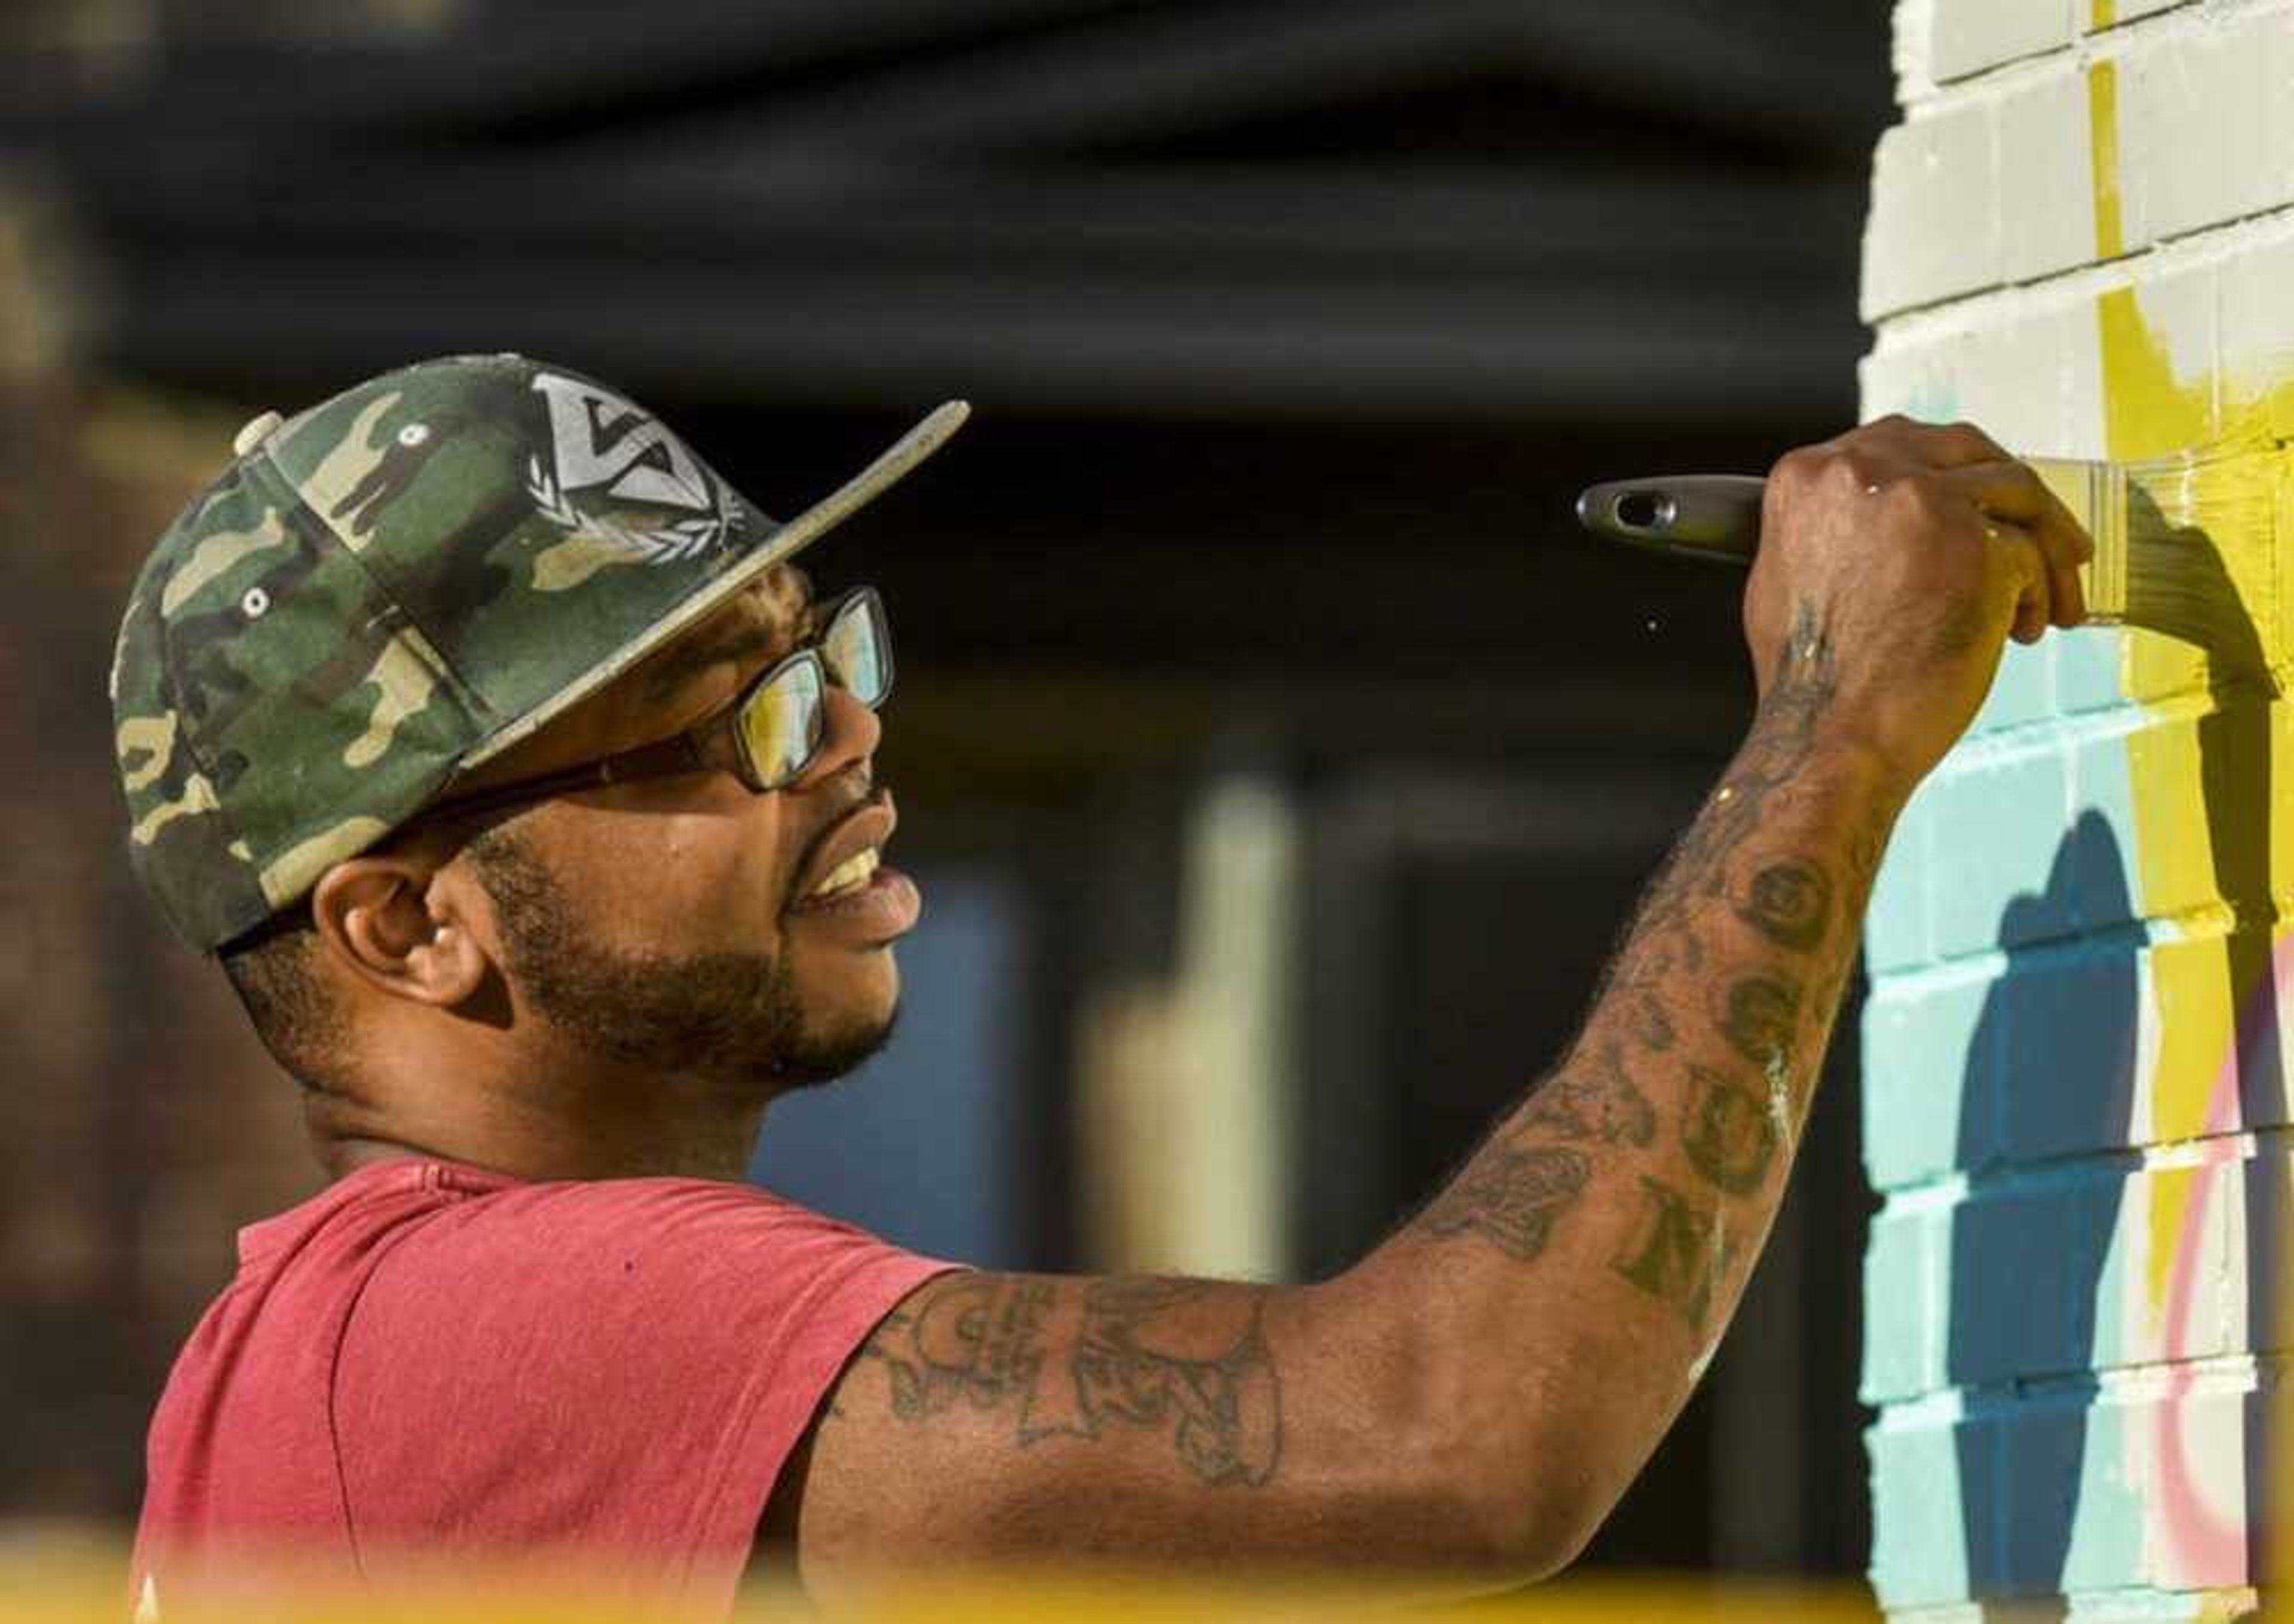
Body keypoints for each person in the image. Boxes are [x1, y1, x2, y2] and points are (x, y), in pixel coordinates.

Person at [112, 353, 2092, 1621]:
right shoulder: (495, 1322)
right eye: (709, 732)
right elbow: (1449, 1441)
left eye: (822, 661)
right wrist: (1832, 727)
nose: (843, 749)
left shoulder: (355, 1344)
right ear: (403, 927)